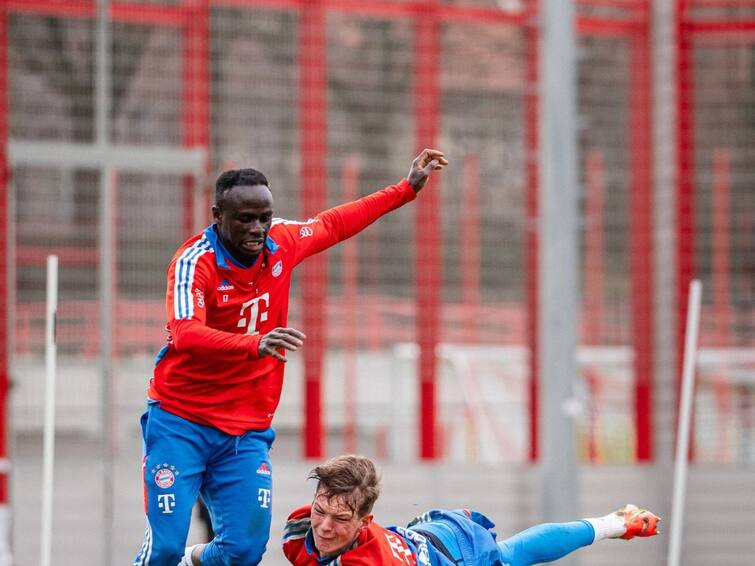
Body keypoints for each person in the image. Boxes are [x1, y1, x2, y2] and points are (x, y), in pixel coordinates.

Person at [133, 149, 448, 566]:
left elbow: (333, 224)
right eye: (245, 218)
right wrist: (253, 344)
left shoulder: (281, 241)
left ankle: (191, 560)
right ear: (217, 215)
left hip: (245, 430)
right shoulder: (195, 262)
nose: (257, 228)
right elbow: (186, 333)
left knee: (243, 551)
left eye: (264, 216)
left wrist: (405, 189)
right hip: (181, 420)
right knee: (164, 548)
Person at [282, 455, 661, 566]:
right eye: (321, 511)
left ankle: (616, 524)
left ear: (366, 521)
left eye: (340, 519)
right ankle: (618, 522)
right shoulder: (301, 526)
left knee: (511, 557)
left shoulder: (370, 563)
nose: (325, 527)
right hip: (426, 533)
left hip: (458, 552)